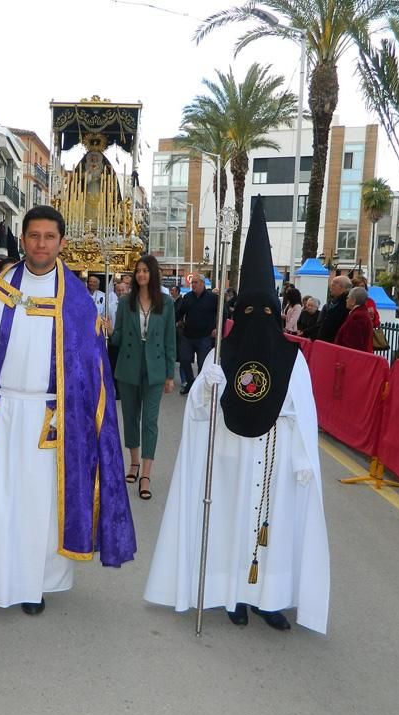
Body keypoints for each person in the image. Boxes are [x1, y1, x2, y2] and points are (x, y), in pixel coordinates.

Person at [0, 205, 136, 622]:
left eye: (49, 236)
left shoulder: (77, 302)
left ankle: (35, 584)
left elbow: (89, 372)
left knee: (41, 507)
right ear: (23, 240)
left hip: (50, 421)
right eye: (34, 236)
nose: (41, 244)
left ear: (61, 242)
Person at [144, 197, 329, 634]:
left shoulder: (293, 357)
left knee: (273, 530)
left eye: (266, 311)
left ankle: (271, 599)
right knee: (230, 525)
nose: (257, 319)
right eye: (249, 311)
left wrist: (303, 460)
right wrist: (207, 390)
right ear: (237, 312)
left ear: (278, 313)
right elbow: (198, 414)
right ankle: (233, 595)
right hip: (230, 457)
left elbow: (303, 413)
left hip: (275, 459)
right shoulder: (222, 356)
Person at [109, 255, 175, 501]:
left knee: (149, 421)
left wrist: (170, 374)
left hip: (155, 368)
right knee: (130, 417)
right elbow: (117, 338)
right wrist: (107, 329)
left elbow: (170, 339)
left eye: (146, 271)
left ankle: (146, 473)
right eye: (138, 271)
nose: (141, 275)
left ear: (153, 274)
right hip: (129, 367)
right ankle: (134, 463)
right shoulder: (126, 302)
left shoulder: (166, 303)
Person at [177, 276, 221, 395]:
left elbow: (223, 312)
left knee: (203, 364)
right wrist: (178, 321)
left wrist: (218, 327)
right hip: (188, 335)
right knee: (184, 360)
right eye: (192, 283)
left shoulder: (213, 298)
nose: (193, 285)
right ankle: (190, 382)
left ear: (202, 283)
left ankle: (200, 387)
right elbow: (180, 312)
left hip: (205, 336)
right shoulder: (187, 297)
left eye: (195, 282)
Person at [334, 287, 374, 353]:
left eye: (348, 298)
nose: (346, 300)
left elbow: (353, 344)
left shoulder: (358, 316)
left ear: (353, 301)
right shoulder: (359, 313)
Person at [316, 275, 352, 343]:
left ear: (342, 287)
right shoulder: (332, 302)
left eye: (333, 285)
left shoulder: (346, 305)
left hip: (334, 343)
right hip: (325, 342)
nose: (330, 288)